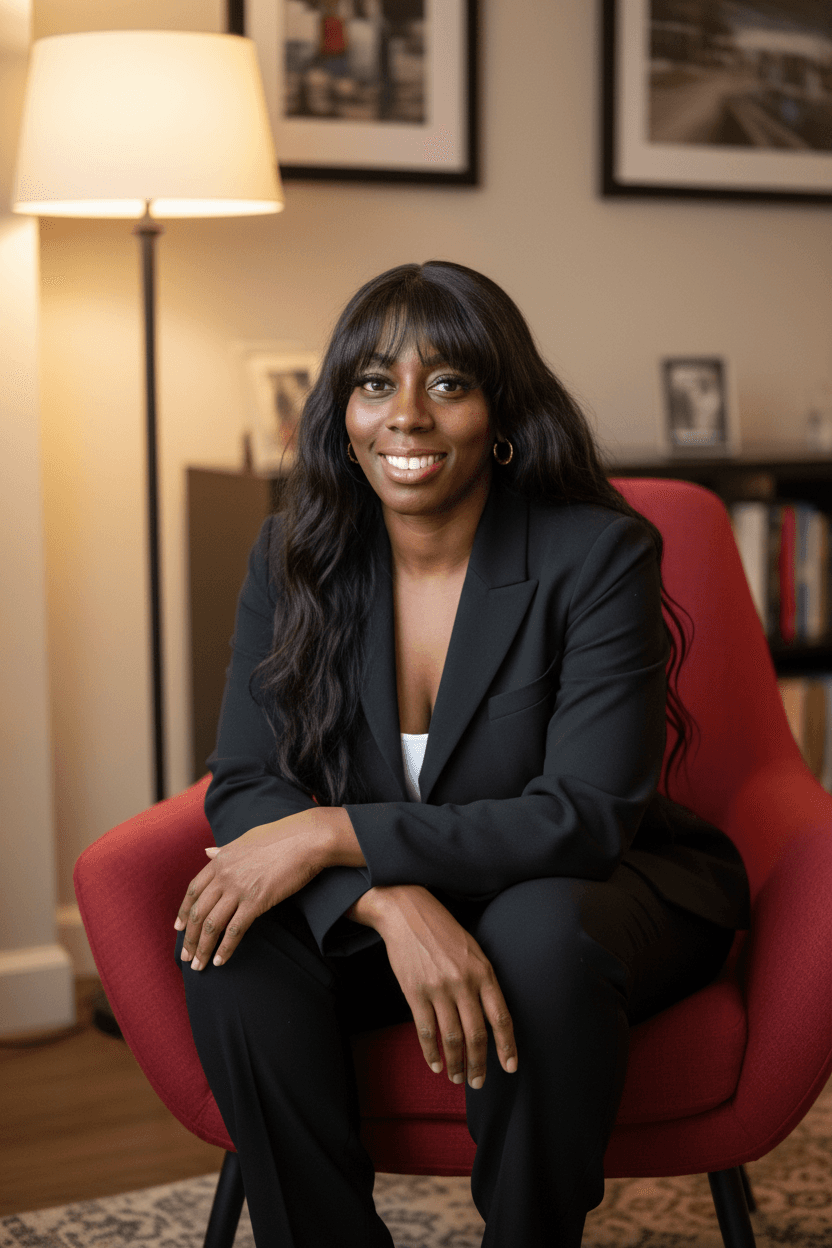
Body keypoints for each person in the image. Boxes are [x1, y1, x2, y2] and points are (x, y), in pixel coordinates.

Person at [175, 261, 750, 1248]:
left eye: (447, 383)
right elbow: (246, 788)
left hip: (597, 887)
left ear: (502, 412)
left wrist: (333, 831)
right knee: (237, 945)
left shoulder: (597, 556)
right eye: (372, 384)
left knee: (533, 938)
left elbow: (581, 815)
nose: (406, 415)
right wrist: (385, 900)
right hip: (406, 888)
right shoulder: (290, 556)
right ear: (341, 414)